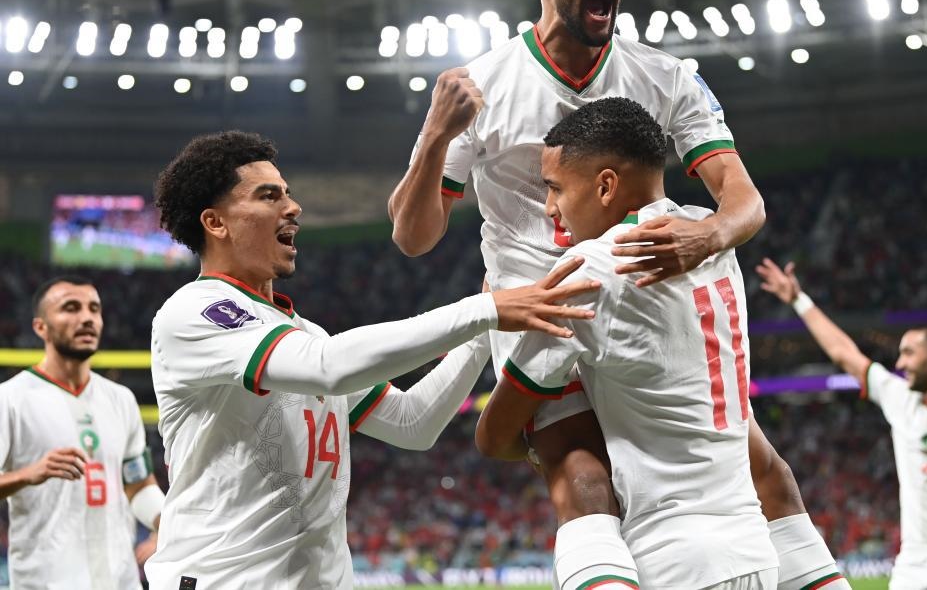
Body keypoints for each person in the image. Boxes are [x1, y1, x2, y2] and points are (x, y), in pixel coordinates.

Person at [389, 0, 847, 588]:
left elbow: (743, 201)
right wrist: (434, 137)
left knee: (767, 474)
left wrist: (707, 234)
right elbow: (413, 236)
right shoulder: (485, 85)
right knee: (584, 479)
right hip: (545, 312)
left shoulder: (666, 76)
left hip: (640, 296)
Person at [144, 130, 600, 589]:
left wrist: (485, 330)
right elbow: (327, 365)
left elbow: (412, 422)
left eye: (288, 193)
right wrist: (484, 310)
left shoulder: (304, 335)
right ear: (215, 223)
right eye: (269, 196)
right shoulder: (195, 312)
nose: (293, 207)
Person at [476, 97, 779, 589]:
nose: (550, 209)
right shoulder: (707, 235)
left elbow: (493, 435)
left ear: (605, 185)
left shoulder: (592, 268)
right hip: (754, 552)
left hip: (674, 559)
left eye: (555, 188)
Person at [756, 257, 927, 590]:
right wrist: (799, 300)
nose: (900, 363)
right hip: (913, 563)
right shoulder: (899, 398)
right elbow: (843, 354)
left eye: (909, 353)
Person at [0, 277, 164, 590]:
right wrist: (27, 474)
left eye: (94, 309)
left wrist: (167, 526)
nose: (87, 318)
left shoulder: (121, 399)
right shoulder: (10, 399)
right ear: (40, 327)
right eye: (71, 308)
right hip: (44, 583)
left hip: (120, 581)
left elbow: (139, 485)